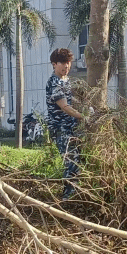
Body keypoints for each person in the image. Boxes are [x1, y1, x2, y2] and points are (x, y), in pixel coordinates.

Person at [45, 48, 87, 200]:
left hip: (71, 127)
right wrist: (84, 116)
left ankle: (74, 194)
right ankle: (67, 198)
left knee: (79, 160)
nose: (67, 66)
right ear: (54, 64)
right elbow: (64, 106)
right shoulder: (54, 82)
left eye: (68, 62)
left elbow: (72, 101)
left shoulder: (66, 81)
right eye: (63, 63)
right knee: (71, 161)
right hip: (60, 128)